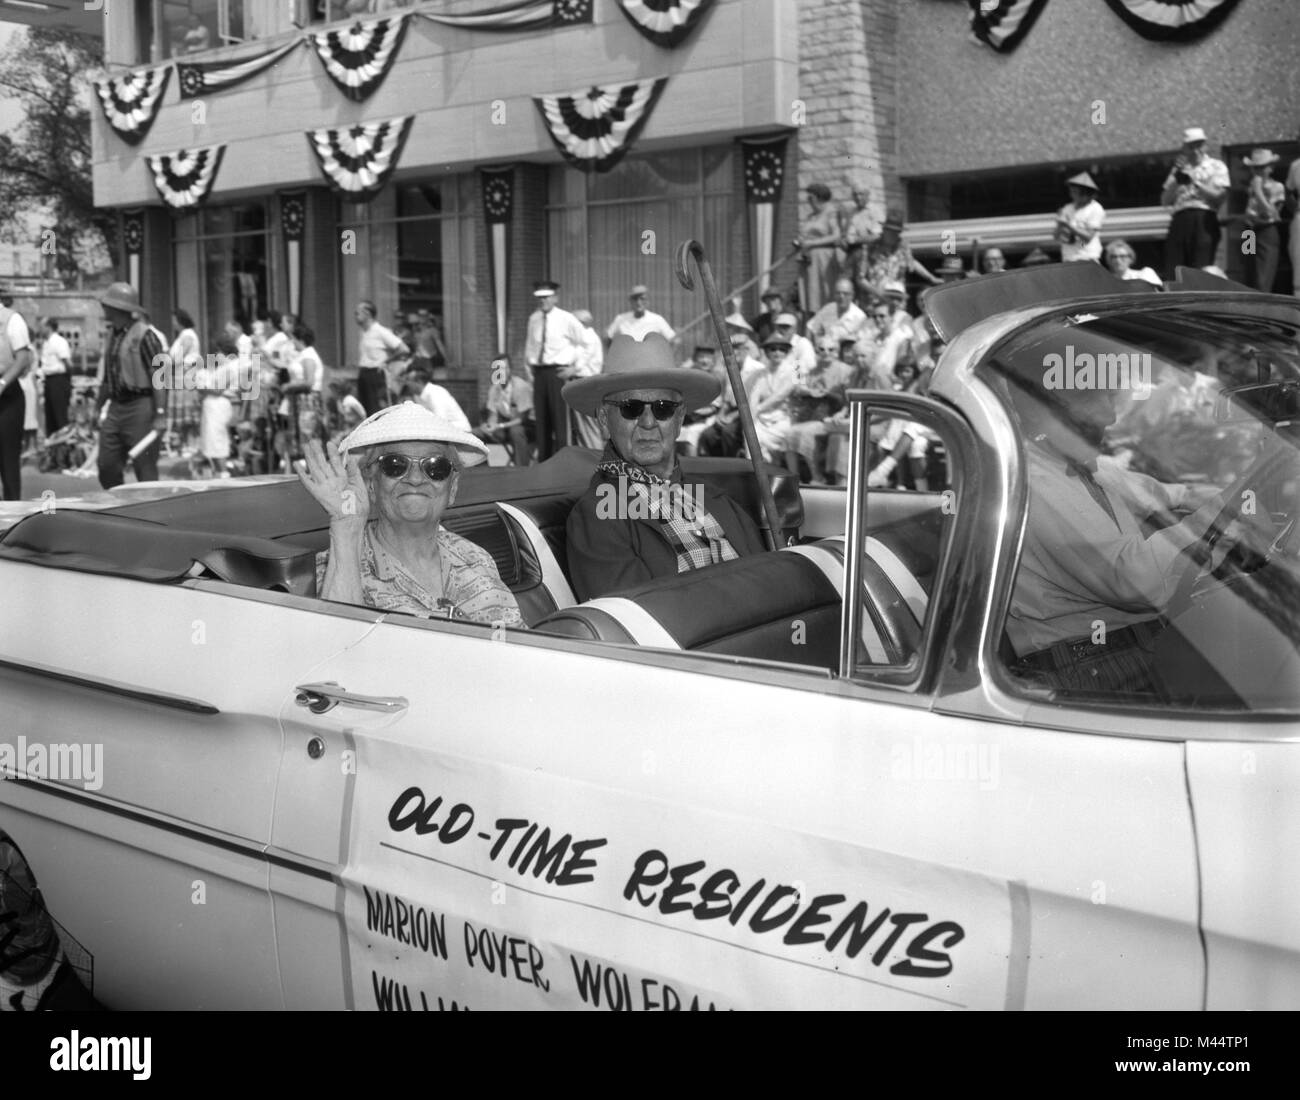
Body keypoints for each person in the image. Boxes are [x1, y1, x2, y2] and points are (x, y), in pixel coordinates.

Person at [1003, 372, 1234, 696]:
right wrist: (1227, 514)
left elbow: (1173, 494)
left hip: (1135, 649)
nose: (1110, 415)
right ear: (1040, 410)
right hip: (1090, 668)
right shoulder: (1033, 483)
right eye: (1091, 398)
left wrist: (1242, 498)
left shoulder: (1093, 469)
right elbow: (1133, 581)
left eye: (1109, 397)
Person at [561, 333, 766, 601]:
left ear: (679, 418)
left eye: (663, 408)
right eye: (630, 408)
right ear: (604, 417)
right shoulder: (598, 515)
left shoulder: (716, 498)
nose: (648, 422)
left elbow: (769, 581)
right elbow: (638, 624)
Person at [297, 401, 523, 626]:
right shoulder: (333, 567)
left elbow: (520, 651)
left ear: (452, 489)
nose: (415, 479)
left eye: (436, 467)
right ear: (371, 485)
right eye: (395, 465)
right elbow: (337, 648)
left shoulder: (476, 558)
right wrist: (347, 526)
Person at [96, 282, 167, 490]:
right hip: (116, 407)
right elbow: (109, 378)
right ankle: (120, 507)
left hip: (141, 407)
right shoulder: (113, 335)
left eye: (107, 304)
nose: (104, 308)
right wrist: (98, 406)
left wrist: (161, 413)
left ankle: (151, 514)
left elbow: (159, 375)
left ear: (119, 308)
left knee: (145, 467)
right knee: (106, 465)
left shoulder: (146, 336)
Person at [523, 280, 585, 461]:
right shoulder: (533, 319)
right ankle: (544, 463)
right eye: (539, 298)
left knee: (560, 423)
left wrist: (575, 368)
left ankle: (563, 463)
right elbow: (530, 346)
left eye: (546, 297)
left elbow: (585, 343)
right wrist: (529, 371)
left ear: (555, 298)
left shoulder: (566, 319)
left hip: (557, 374)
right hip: (539, 374)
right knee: (541, 423)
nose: (542, 301)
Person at [1161, 126, 1229, 274]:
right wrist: (1176, 180)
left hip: (1204, 217)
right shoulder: (1179, 169)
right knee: (1175, 268)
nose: (1195, 150)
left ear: (1205, 146)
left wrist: (1195, 181)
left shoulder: (1216, 166)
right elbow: (1165, 200)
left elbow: (1219, 197)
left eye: (1199, 145)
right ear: (1184, 149)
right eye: (1191, 146)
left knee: (1202, 268)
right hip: (1180, 218)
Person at [784, 336, 851, 484]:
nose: (826, 352)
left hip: (834, 416)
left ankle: (817, 476)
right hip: (814, 414)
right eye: (822, 349)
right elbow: (802, 387)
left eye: (830, 349)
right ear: (816, 351)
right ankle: (794, 478)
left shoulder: (845, 371)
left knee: (805, 433)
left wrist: (828, 394)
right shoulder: (814, 370)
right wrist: (806, 391)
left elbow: (847, 399)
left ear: (837, 351)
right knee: (789, 433)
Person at [695, 331, 766, 458]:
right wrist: (721, 416)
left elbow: (752, 403)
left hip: (751, 412)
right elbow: (728, 399)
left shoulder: (757, 369)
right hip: (733, 410)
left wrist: (732, 417)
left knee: (728, 432)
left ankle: (733, 467)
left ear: (746, 349)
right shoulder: (730, 368)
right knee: (708, 435)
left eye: (738, 348)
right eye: (732, 348)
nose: (735, 352)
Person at [859, 213, 942, 301]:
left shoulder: (903, 247)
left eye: (896, 232)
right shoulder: (869, 248)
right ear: (884, 230)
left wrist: (931, 278)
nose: (893, 235)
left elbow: (912, 263)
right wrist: (878, 294)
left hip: (897, 301)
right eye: (890, 231)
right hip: (874, 302)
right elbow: (860, 279)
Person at [0, 288, 33, 499]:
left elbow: (22, 358)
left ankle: (11, 519)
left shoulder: (12, 320)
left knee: (7, 459)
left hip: (7, 396)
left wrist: (2, 383)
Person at [474, 355, 534, 465]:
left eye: (504, 368)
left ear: (510, 370)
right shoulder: (494, 389)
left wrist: (500, 426)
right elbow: (493, 415)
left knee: (516, 431)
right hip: (505, 426)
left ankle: (522, 471)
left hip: (527, 426)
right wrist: (489, 426)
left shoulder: (521, 387)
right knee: (476, 433)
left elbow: (522, 418)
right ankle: (482, 470)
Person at [354, 300, 409, 415]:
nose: (355, 316)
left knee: (376, 410)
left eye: (357, 313)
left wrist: (386, 361)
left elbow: (403, 349)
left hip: (376, 373)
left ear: (367, 314)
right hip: (364, 372)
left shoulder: (380, 331)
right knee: (365, 410)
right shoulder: (364, 332)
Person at [196, 334, 240, 477]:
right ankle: (217, 471)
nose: (216, 355)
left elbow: (217, 390)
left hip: (219, 405)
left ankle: (223, 472)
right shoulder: (224, 368)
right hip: (213, 405)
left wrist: (201, 386)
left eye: (218, 352)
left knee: (217, 440)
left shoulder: (229, 368)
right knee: (211, 439)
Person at [1242, 148, 1285, 292]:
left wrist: (1259, 191)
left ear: (1270, 168)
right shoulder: (1251, 187)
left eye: (1262, 167)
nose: (1258, 171)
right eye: (1255, 168)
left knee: (1263, 276)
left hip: (1267, 231)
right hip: (1249, 232)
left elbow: (1270, 213)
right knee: (1249, 273)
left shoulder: (1277, 186)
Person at [795, 183, 841, 313]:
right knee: (810, 295)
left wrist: (812, 243)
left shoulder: (830, 212)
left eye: (811, 198)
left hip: (823, 259)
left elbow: (836, 236)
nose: (809, 202)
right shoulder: (811, 217)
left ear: (819, 198)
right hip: (808, 261)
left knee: (824, 292)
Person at [570, 308, 605, 449]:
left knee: (588, 427)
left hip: (585, 383)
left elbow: (579, 363)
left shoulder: (588, 337)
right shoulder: (587, 337)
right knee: (583, 427)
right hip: (585, 383)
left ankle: (595, 459)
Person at [169, 309, 201, 453]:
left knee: (188, 414)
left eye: (174, 320)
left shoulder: (187, 335)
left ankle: (191, 444)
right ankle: (185, 444)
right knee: (184, 415)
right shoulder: (183, 335)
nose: (173, 323)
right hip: (181, 375)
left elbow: (178, 358)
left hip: (185, 375)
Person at [403, 362, 471, 429]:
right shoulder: (417, 396)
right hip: (443, 431)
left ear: (419, 382)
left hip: (461, 433)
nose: (406, 384)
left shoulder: (435, 393)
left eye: (408, 380)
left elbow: (440, 422)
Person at [1055, 172, 1105, 263]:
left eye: (1075, 192)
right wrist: (1060, 225)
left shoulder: (1095, 208)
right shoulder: (1067, 208)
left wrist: (1068, 225)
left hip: (1087, 259)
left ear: (1086, 193)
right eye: (1071, 191)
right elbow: (1057, 237)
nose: (1071, 195)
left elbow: (1087, 238)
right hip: (1067, 259)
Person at [807, 277, 868, 347]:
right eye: (838, 293)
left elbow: (862, 344)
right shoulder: (827, 309)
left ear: (852, 295)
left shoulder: (860, 317)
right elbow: (811, 328)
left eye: (845, 294)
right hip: (825, 351)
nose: (841, 297)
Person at [840, 186, 880, 288]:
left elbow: (877, 236)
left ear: (867, 196)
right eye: (855, 194)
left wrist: (855, 240)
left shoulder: (874, 211)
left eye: (861, 194)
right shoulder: (851, 212)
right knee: (846, 283)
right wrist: (844, 241)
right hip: (850, 253)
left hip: (867, 252)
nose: (858, 197)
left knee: (863, 285)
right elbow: (846, 234)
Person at [606, 285, 675, 343]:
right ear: (630, 301)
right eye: (635, 299)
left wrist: (666, 358)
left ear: (647, 301)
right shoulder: (621, 319)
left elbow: (674, 340)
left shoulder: (657, 320)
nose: (638, 303)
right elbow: (607, 336)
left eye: (642, 299)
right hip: (628, 358)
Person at [39, 318, 72, 436]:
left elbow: (68, 363)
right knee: (50, 415)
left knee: (60, 414)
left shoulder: (59, 341)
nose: (40, 329)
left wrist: (67, 380)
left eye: (42, 326)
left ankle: (64, 449)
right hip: (49, 380)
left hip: (59, 380)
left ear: (49, 327)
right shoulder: (46, 342)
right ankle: (53, 448)